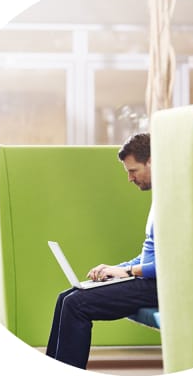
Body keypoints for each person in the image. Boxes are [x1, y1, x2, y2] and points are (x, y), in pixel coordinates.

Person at [46, 132, 158, 369]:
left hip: (159, 285)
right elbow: (150, 255)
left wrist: (127, 272)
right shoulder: (159, 200)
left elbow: (172, 263)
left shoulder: (175, 201)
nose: (129, 178)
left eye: (133, 170)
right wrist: (115, 269)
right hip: (147, 281)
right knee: (65, 298)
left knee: (77, 305)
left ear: (151, 161)